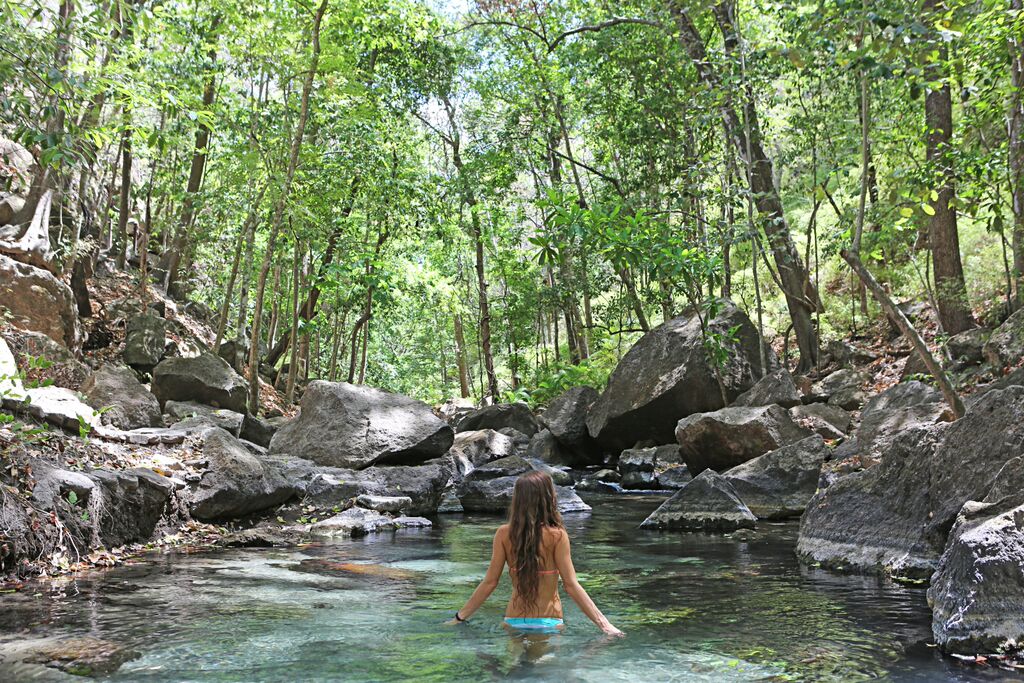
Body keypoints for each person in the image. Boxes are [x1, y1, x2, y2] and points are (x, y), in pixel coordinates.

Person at [450, 470, 623, 637]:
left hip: (513, 620)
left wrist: (459, 617)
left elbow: (490, 583)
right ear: (548, 498)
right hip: (549, 622)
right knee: (543, 664)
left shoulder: (503, 534)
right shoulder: (557, 535)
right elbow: (571, 585)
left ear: (518, 500)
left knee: (516, 665)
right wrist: (605, 625)